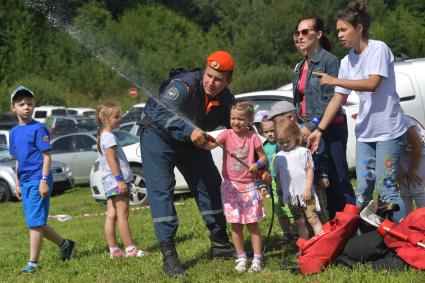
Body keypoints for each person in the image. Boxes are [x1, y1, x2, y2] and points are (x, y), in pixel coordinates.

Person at [140, 51, 236, 276]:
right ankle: (170, 257)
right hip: (157, 136)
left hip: (190, 139)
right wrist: (189, 130)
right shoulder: (184, 85)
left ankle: (220, 243)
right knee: (162, 191)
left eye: (219, 79)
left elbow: (234, 121)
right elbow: (161, 112)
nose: (212, 82)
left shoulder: (226, 98)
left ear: (228, 81)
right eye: (209, 75)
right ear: (205, 70)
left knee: (211, 183)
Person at [309, 0, 407, 221]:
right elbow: (338, 98)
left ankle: (406, 239)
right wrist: (319, 130)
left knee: (386, 188)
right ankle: (367, 235)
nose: (340, 35)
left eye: (344, 29)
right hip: (365, 133)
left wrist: (334, 79)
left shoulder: (378, 49)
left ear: (359, 27)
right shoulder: (346, 62)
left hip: (389, 131)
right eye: (338, 31)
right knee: (362, 190)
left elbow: (373, 84)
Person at [292, 15, 355, 219]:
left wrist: (312, 126)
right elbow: (299, 102)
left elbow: (332, 100)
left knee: (338, 179)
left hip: (331, 129)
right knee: (320, 181)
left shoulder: (329, 61)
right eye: (297, 33)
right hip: (309, 130)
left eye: (304, 32)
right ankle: (334, 227)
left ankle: (353, 226)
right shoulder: (298, 67)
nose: (299, 37)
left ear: (318, 34)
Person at [9, 86, 76, 273]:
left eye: (30, 104)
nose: (26, 107)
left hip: (39, 179)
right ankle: (65, 245)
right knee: (36, 221)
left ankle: (33, 263)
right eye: (21, 104)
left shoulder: (39, 129)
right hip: (24, 181)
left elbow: (47, 157)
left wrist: (44, 180)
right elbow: (17, 160)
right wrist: (17, 182)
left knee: (35, 224)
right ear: (13, 107)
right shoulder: (13, 132)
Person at [207, 102, 267, 272]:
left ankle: (257, 258)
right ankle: (241, 257)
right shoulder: (226, 134)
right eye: (233, 118)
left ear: (249, 120)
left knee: (253, 225)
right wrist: (205, 139)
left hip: (248, 186)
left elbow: (263, 157)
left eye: (240, 119)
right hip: (230, 187)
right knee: (235, 225)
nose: (236, 122)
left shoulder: (252, 137)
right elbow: (211, 145)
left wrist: (256, 164)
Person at [96, 102, 147, 259]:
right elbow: (112, 160)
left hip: (108, 181)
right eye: (116, 116)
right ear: (105, 119)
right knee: (123, 215)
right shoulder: (109, 137)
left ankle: (114, 250)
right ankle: (130, 249)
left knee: (111, 214)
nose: (120, 119)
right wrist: (120, 180)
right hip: (117, 181)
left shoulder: (101, 136)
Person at [268, 101, 329, 222]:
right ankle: (311, 237)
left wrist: (323, 174)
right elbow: (280, 167)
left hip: (314, 180)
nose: (276, 126)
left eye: (278, 121)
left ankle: (327, 234)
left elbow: (320, 153)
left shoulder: (307, 132)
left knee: (319, 208)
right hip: (294, 187)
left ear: (291, 117)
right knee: (302, 215)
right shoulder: (280, 143)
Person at [274, 119, 323, 239]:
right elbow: (279, 177)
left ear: (296, 136)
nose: (285, 144)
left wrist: (308, 188)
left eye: (287, 141)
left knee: (312, 219)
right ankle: (304, 247)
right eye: (281, 142)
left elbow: (309, 170)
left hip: (306, 193)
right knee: (299, 222)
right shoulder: (279, 157)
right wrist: (280, 194)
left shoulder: (303, 152)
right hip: (292, 197)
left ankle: (322, 243)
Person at [260, 117, 297, 242]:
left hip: (284, 179)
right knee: (279, 208)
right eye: (266, 132)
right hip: (273, 182)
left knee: (290, 206)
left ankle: (296, 231)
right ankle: (287, 233)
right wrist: (262, 184)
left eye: (272, 130)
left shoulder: (281, 145)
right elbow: (262, 165)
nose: (270, 134)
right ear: (262, 133)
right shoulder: (263, 147)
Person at [398, 115, 425, 213]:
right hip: (405, 152)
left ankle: (422, 220)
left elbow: (418, 146)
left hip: (421, 151)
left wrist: (413, 168)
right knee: (404, 189)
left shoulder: (404, 122)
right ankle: (406, 221)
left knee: (416, 187)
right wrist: (399, 168)